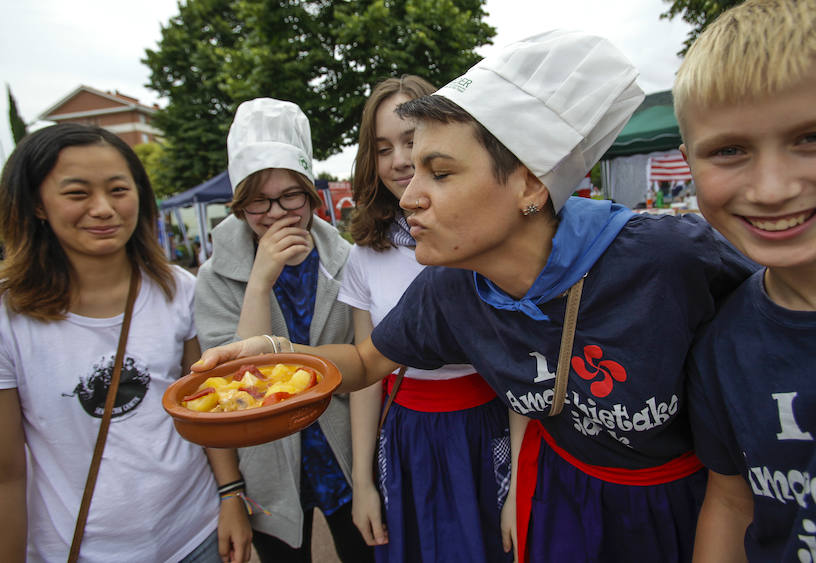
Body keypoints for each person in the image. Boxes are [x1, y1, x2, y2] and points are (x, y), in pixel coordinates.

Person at [192, 30, 756, 562]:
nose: (409, 196)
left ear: (531, 184)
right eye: (411, 171)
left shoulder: (670, 258)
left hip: (689, 499)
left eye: (438, 172)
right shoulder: (451, 285)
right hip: (561, 489)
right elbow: (366, 361)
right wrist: (271, 359)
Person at [673, 0, 816, 560]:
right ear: (690, 163)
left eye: (815, 137)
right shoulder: (721, 343)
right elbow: (732, 502)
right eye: (729, 151)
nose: (771, 188)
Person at [0, 123, 252, 562]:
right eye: (77, 194)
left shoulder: (177, 289)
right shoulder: (9, 317)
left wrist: (231, 496)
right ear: (37, 205)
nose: (103, 209)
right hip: (80, 549)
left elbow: (205, 406)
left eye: (118, 190)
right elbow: (7, 474)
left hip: (195, 535)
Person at [194, 98, 372, 563]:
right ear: (238, 205)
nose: (276, 213)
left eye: (290, 195)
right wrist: (259, 283)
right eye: (257, 199)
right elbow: (236, 388)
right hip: (268, 465)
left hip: (345, 454)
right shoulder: (215, 277)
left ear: (311, 194)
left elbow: (364, 363)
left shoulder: (345, 260)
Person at [342, 75, 512, 562]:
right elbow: (363, 376)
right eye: (382, 147)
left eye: (411, 141)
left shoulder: (481, 241)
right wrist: (362, 482)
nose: (399, 160)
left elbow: (524, 362)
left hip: (486, 430)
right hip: (406, 436)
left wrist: (521, 477)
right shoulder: (364, 256)